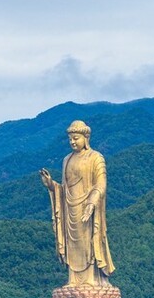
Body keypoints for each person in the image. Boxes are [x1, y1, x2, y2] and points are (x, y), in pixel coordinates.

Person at [40, 121, 116, 288]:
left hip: (88, 208)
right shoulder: (67, 159)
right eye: (70, 139)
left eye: (76, 138)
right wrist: (51, 185)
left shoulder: (96, 158)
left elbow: (101, 184)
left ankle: (92, 279)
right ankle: (73, 280)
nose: (73, 142)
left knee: (88, 242)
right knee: (72, 244)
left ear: (86, 137)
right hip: (70, 209)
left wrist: (91, 202)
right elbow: (64, 188)